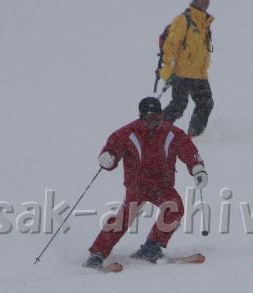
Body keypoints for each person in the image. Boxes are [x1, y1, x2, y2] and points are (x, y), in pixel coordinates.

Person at [84, 97, 208, 268]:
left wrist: (197, 169)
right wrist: (107, 158)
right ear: (142, 116)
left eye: (158, 118)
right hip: (138, 186)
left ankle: (152, 247)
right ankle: (97, 253)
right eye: (150, 119)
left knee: (174, 208)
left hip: (162, 185)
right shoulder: (127, 133)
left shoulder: (171, 133)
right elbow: (112, 151)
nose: (154, 123)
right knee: (124, 219)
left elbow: (189, 151)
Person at [159, 0, 214, 137]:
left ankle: (194, 136)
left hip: (199, 75)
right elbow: (170, 47)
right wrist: (167, 72)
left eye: (207, 0)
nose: (205, 3)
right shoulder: (183, 20)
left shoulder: (204, 22)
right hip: (181, 74)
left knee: (205, 104)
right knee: (178, 106)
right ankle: (156, 132)